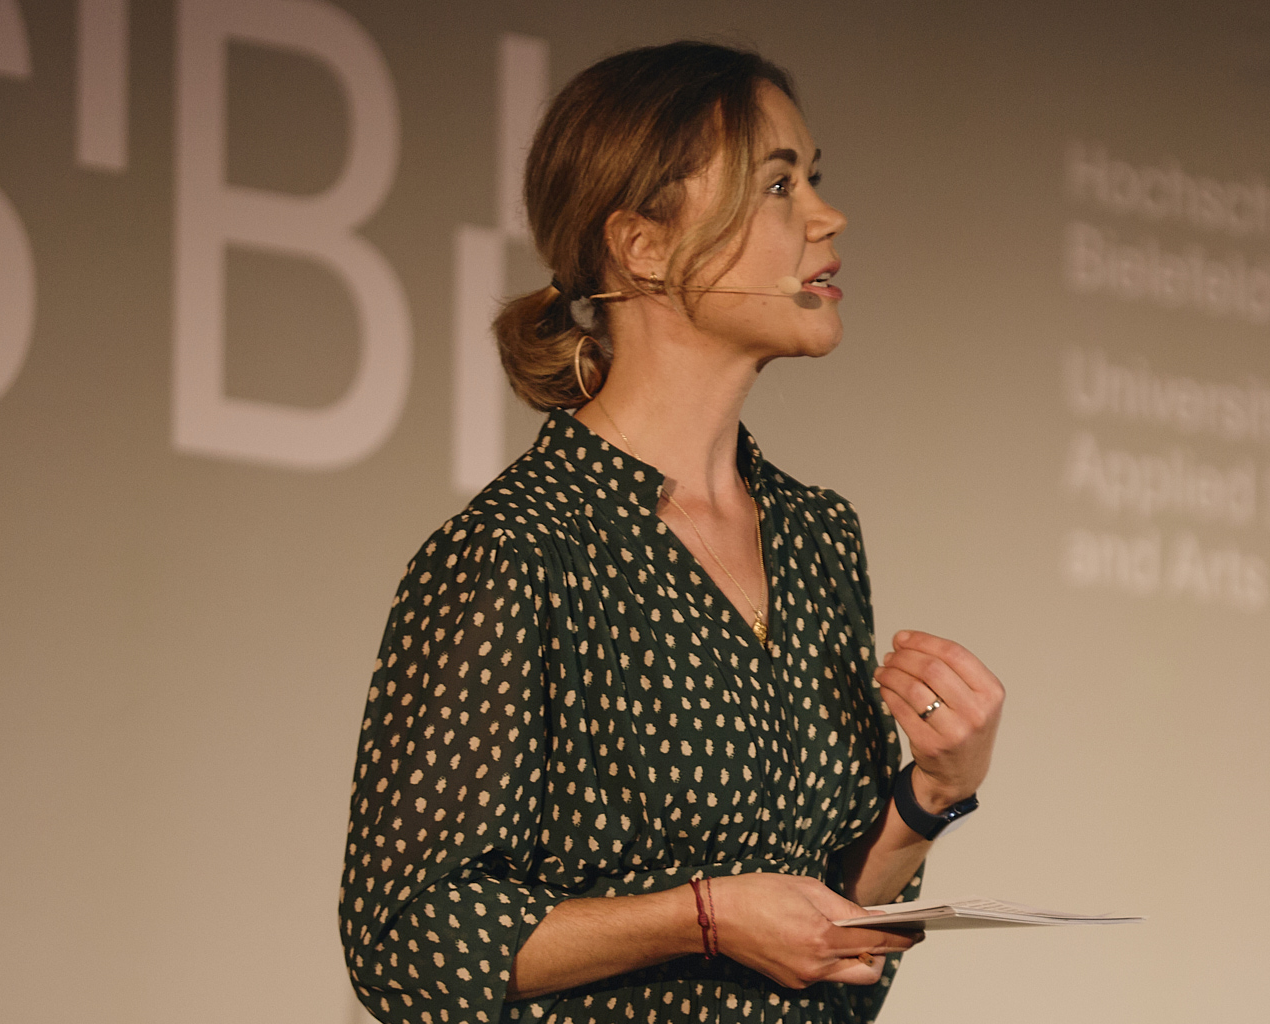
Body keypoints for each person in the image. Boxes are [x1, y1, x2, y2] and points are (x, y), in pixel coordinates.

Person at [339, 41, 1004, 1024]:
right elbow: (406, 940)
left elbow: (832, 935)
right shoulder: (522, 548)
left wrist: (935, 792)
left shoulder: (818, 536)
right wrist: (701, 918)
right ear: (642, 246)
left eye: (812, 179)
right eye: (778, 184)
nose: (827, 217)